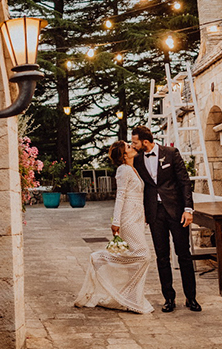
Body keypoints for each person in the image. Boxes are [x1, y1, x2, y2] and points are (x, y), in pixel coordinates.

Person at [73, 140, 154, 314]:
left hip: (138, 218)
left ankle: (130, 296)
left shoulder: (133, 169)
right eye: (128, 146)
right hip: (128, 218)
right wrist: (116, 221)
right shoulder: (123, 170)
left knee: (137, 255)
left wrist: (144, 215)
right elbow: (121, 196)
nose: (132, 147)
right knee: (144, 255)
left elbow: (137, 195)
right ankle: (100, 257)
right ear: (124, 155)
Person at [130, 125, 201, 313]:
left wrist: (188, 209)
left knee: (183, 254)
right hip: (155, 214)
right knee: (162, 257)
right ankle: (169, 298)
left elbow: (184, 182)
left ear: (145, 141)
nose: (133, 145)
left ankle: (191, 297)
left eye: (135, 142)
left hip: (177, 212)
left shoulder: (170, 153)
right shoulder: (136, 160)